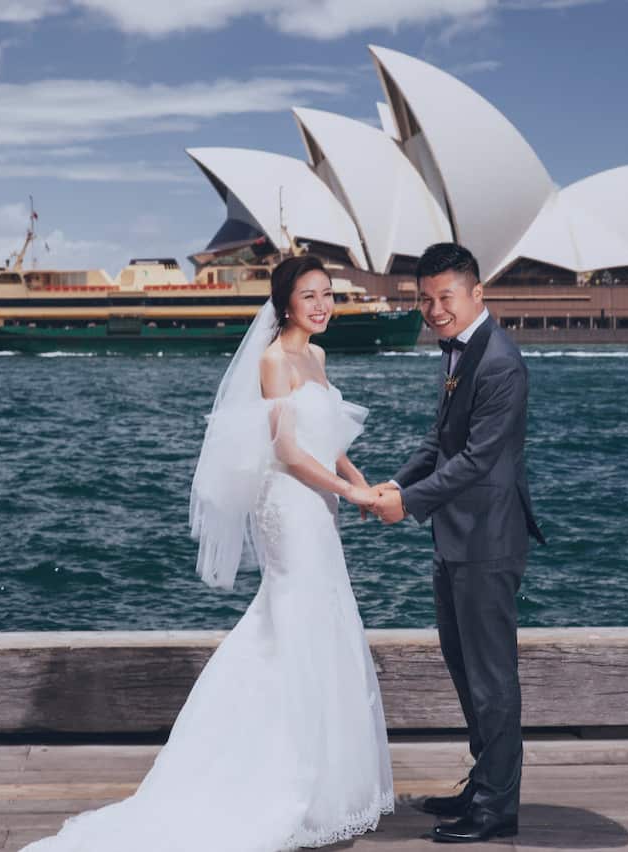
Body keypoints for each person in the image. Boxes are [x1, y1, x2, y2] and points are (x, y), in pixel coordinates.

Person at [20, 254, 393, 851]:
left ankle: (326, 778)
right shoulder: (274, 361)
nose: (322, 305)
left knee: (323, 621)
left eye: (328, 294)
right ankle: (278, 772)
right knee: (293, 620)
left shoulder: (318, 357)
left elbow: (330, 441)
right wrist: (352, 492)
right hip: (289, 508)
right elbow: (290, 453)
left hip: (319, 507)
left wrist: (364, 484)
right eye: (310, 295)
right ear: (285, 302)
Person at [371, 242, 544, 844]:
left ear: (477, 294)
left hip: (487, 541)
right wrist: (395, 482)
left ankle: (499, 809)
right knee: (467, 670)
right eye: (425, 298)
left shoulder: (500, 362)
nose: (434, 309)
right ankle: (486, 781)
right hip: (456, 539)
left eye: (446, 296)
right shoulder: (461, 355)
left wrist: (408, 505)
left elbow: (475, 460)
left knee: (492, 678)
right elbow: (439, 440)